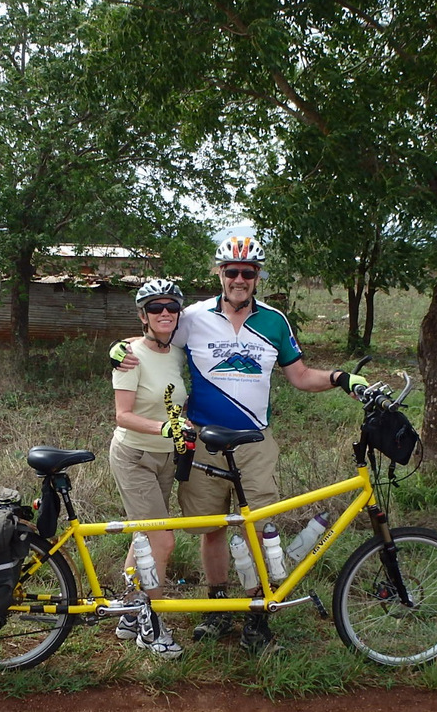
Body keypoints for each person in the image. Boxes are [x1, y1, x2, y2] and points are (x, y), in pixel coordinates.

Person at [114, 236, 366, 653]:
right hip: (203, 441)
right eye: (231, 271)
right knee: (210, 529)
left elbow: (300, 376)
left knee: (258, 530)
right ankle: (217, 607)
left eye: (248, 272)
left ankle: (256, 618)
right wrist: (117, 351)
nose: (239, 279)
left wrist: (340, 378)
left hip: (255, 442)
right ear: (220, 274)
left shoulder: (275, 321)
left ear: (257, 277)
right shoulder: (192, 317)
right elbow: (154, 340)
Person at [107, 278, 191, 659]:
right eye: (155, 308)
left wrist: (180, 428)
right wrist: (164, 428)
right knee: (162, 540)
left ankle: (128, 611)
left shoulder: (175, 353)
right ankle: (152, 625)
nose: (164, 313)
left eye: (171, 307)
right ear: (143, 315)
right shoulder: (129, 355)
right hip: (134, 456)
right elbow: (122, 415)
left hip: (166, 457)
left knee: (143, 538)